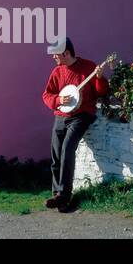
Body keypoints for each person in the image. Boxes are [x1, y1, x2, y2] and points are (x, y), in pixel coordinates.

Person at [40, 37, 107, 213]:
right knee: (56, 154)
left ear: (66, 53)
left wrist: (99, 77)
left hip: (82, 115)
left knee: (67, 150)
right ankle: (57, 195)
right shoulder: (57, 72)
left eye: (56, 54)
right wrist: (58, 99)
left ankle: (65, 196)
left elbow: (101, 92)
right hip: (61, 115)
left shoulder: (88, 67)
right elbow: (47, 95)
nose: (53, 57)